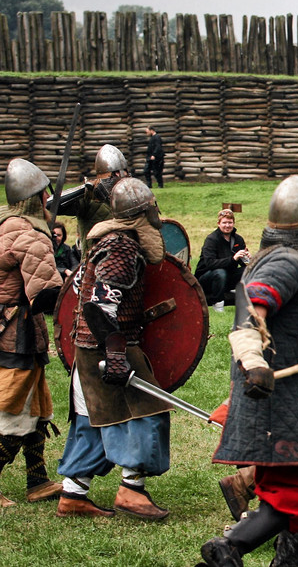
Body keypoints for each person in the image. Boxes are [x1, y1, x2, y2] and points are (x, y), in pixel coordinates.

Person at [201, 176, 298, 567]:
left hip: (283, 394)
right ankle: (227, 550)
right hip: (274, 396)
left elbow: (284, 326)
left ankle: (288, 563)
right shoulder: (287, 262)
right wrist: (253, 362)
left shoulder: (274, 259)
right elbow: (250, 315)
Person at [57, 178, 172, 519]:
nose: (155, 214)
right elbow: (99, 304)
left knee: (95, 420)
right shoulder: (122, 246)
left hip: (89, 346)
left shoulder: (107, 240)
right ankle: (131, 491)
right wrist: (116, 354)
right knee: (146, 412)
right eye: (152, 208)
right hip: (108, 345)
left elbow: (78, 285)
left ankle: (73, 496)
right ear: (142, 212)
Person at [0, 159, 64, 507]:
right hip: (16, 331)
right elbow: (46, 294)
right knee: (13, 408)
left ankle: (37, 480)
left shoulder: (3, 222)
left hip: (11, 327)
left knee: (37, 406)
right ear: (38, 198)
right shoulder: (27, 234)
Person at [53, 145, 130, 256]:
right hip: (94, 261)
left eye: (124, 172)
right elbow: (53, 204)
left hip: (127, 258)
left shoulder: (132, 197)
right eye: (115, 173)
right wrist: (83, 190)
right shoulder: (89, 199)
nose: (120, 177)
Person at [194, 209, 250, 309]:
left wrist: (248, 259)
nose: (227, 225)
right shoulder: (211, 239)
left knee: (249, 270)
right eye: (224, 222)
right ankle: (217, 303)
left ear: (233, 223)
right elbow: (210, 263)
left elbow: (243, 263)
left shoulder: (238, 239)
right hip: (207, 278)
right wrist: (233, 259)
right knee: (220, 272)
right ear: (218, 224)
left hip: (228, 276)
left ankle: (248, 299)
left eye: (230, 222)